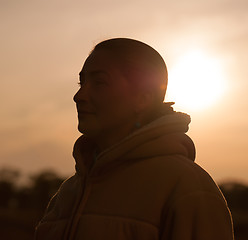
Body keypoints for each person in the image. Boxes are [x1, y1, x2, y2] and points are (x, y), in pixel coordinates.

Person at [34, 38, 234, 240]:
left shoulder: (188, 189)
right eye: (81, 82)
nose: (79, 95)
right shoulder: (68, 193)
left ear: (143, 98)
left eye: (99, 82)